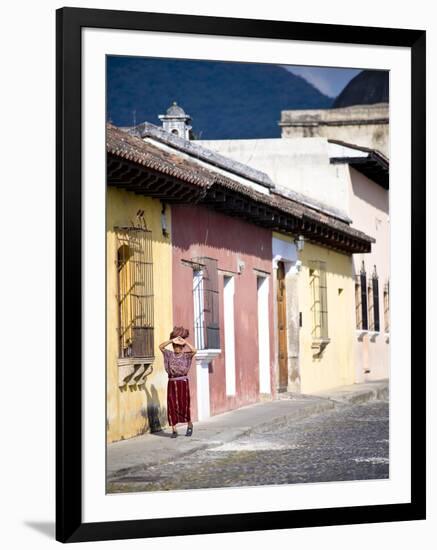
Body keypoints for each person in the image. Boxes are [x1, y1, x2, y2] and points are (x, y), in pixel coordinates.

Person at [159, 326, 197, 438]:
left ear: (182, 347)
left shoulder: (186, 355)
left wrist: (185, 342)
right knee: (172, 404)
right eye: (175, 346)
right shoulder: (169, 354)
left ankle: (189, 424)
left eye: (179, 346)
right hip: (171, 383)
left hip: (183, 383)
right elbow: (160, 347)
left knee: (184, 404)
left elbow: (194, 350)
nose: (177, 348)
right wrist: (172, 340)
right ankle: (174, 429)